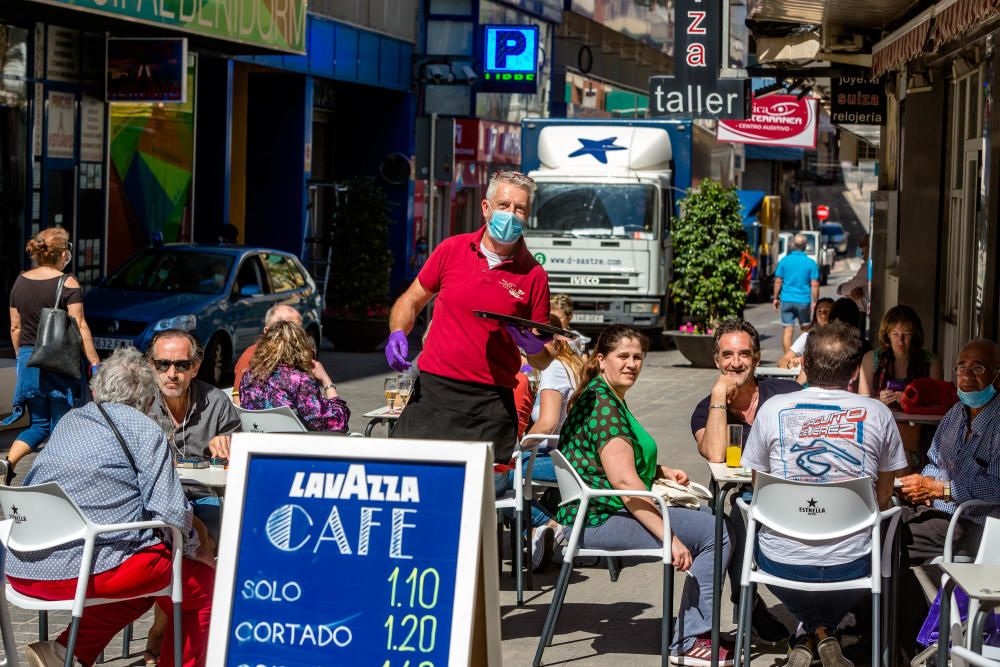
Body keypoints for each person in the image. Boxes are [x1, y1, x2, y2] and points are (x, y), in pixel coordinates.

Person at [5, 347, 214, 667]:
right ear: (148, 399)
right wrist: (199, 545)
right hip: (87, 572)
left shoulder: (70, 420)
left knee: (148, 581)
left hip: (23, 568)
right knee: (201, 588)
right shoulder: (145, 430)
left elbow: (36, 483)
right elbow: (172, 514)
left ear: (95, 388)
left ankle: (65, 653)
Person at [557, 324, 733, 665]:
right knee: (717, 532)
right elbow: (624, 484)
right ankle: (689, 639)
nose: (631, 364)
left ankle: (699, 627)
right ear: (601, 360)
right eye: (622, 356)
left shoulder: (604, 395)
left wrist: (659, 471)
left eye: (638, 357)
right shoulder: (604, 407)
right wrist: (670, 536)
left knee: (714, 520)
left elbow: (612, 461)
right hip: (597, 518)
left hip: (595, 509)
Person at [742, 321, 908, 667]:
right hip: (851, 565)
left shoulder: (772, 410)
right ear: (852, 371)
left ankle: (808, 633)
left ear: (803, 364)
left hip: (781, 564)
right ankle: (821, 631)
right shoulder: (878, 413)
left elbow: (759, 488)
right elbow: (883, 496)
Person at [385, 170, 554, 465]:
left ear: (528, 216)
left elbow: (544, 357)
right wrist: (397, 332)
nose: (511, 215)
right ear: (486, 208)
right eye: (504, 205)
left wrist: (535, 347)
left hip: (490, 404)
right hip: (433, 393)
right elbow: (411, 300)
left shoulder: (533, 275)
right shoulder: (451, 249)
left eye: (520, 209)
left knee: (479, 500)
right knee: (409, 477)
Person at [689, 319, 799, 644]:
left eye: (744, 354)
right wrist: (720, 396)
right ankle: (747, 602)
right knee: (733, 518)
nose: (735, 362)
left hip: (790, 496)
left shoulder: (786, 394)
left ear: (757, 357)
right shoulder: (706, 410)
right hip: (742, 499)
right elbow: (713, 453)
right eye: (728, 355)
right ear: (717, 361)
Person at [895, 339, 1000, 657]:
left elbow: (997, 488)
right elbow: (934, 464)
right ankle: (907, 638)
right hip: (942, 514)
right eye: (962, 367)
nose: (967, 375)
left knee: (896, 540)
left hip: (976, 525)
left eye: (978, 367)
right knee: (886, 531)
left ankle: (912, 643)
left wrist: (940, 489)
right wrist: (920, 485)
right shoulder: (955, 414)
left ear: (997, 374)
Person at [144, 329, 238, 663]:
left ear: (196, 367)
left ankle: (165, 625)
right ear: (151, 366)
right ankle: (171, 628)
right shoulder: (140, 404)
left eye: (182, 365)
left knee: (209, 539)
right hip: (154, 501)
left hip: (204, 495)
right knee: (163, 548)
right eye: (164, 364)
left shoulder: (216, 402)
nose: (172, 374)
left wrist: (227, 446)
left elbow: (239, 450)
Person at [4, 227, 101, 483]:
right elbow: (79, 325)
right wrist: (94, 362)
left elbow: (15, 327)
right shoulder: (67, 282)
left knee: (38, 425)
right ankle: (54, 480)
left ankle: (7, 462)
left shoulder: (20, 281)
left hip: (28, 360)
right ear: (62, 253)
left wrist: (22, 360)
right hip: (58, 364)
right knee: (62, 425)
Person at [239, 320, 350, 432]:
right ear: (299, 347)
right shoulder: (300, 381)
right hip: (293, 447)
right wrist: (326, 381)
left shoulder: (248, 377)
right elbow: (338, 423)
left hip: (258, 444)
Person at [859, 305, 941, 406]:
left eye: (906, 334)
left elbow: (937, 403)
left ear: (915, 334)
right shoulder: (871, 359)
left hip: (918, 421)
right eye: (895, 334)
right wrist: (880, 401)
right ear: (887, 334)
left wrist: (913, 400)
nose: (900, 340)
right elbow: (863, 404)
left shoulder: (930, 362)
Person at [232, 304, 304, 403]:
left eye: (297, 330)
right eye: (283, 330)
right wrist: (327, 383)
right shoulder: (251, 355)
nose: (293, 335)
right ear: (266, 331)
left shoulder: (303, 354)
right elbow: (238, 400)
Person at [772, 234, 820, 354]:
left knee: (788, 331)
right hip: (803, 301)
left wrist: (775, 298)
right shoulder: (810, 263)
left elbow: (778, 281)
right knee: (805, 330)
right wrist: (815, 301)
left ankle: (788, 360)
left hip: (786, 299)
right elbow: (814, 284)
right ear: (805, 246)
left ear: (793, 245)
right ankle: (803, 359)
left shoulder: (784, 261)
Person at [778, 297, 834, 369]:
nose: (822, 315)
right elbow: (782, 362)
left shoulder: (842, 337)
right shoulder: (807, 337)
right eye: (819, 311)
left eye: (827, 311)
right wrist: (791, 364)